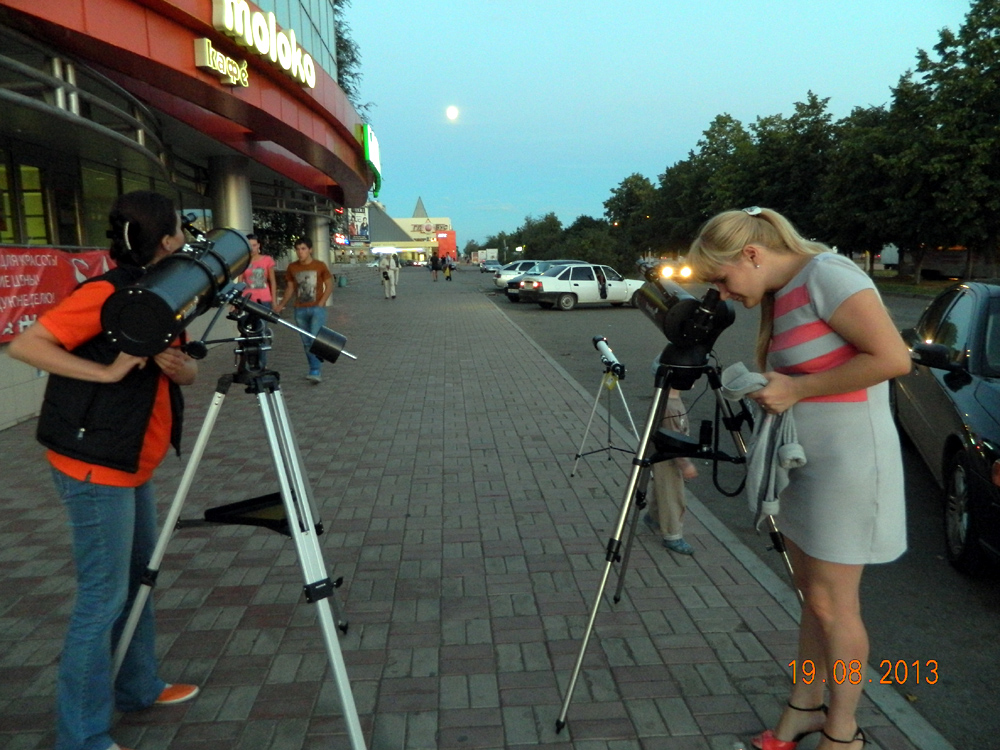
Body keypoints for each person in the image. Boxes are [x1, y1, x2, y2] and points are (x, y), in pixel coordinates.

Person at [687, 207, 911, 750]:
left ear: (752, 254)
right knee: (812, 596)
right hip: (806, 463)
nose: (722, 292)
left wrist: (796, 390)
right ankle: (805, 706)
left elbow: (893, 359)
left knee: (835, 606)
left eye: (722, 278)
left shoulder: (828, 274)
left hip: (848, 462)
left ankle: (843, 731)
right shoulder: (783, 291)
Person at [8, 190, 201, 750]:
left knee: (137, 581)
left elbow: (185, 372)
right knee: (102, 598)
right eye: (180, 231)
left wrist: (178, 367)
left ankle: (138, 686)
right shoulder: (105, 292)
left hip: (131, 461)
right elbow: (28, 345)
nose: (185, 240)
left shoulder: (163, 292)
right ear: (165, 239)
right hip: (94, 466)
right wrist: (108, 373)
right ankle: (81, 734)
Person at [643, 388, 699, 555]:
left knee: (662, 487)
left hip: (663, 455)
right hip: (668, 458)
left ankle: (654, 516)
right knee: (673, 494)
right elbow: (673, 440)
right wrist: (685, 464)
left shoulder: (667, 400)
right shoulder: (670, 407)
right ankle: (673, 535)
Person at [274, 237, 332, 383]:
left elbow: (329, 285)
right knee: (306, 342)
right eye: (298, 249)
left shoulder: (319, 265)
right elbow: (290, 288)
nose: (300, 252)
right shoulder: (292, 267)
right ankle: (313, 369)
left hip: (316, 308)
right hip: (300, 309)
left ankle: (316, 370)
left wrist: (322, 302)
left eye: (303, 249)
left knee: (313, 338)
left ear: (310, 250)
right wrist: (281, 305)